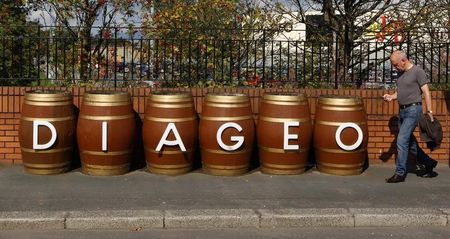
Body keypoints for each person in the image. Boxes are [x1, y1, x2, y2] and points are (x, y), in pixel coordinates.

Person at [382, 50, 438, 183]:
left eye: (396, 64)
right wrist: (391, 96)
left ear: (403, 60)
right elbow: (400, 92)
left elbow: (426, 92)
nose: (395, 67)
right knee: (410, 143)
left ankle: (400, 173)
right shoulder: (401, 74)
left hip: (414, 110)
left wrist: (429, 110)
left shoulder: (418, 71)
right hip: (402, 111)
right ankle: (428, 162)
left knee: (401, 139)